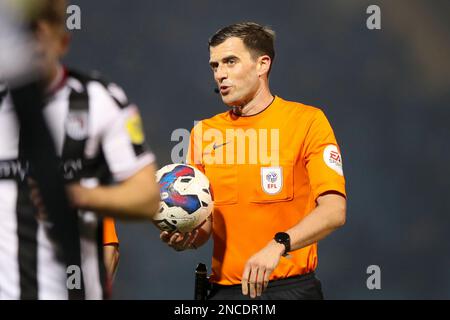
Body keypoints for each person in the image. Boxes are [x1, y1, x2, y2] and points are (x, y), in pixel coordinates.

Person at [161, 22, 346, 300]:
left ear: (263, 64)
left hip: (289, 289)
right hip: (224, 293)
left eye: (230, 62)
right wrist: (187, 236)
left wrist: (279, 245)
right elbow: (207, 223)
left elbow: (334, 211)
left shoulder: (308, 122)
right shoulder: (204, 133)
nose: (220, 74)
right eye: (215, 66)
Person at [0, 0, 159, 299]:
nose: (33, 43)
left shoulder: (100, 100)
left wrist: (78, 196)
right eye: (24, 33)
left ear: (63, 41)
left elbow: (148, 197)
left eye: (42, 32)